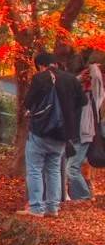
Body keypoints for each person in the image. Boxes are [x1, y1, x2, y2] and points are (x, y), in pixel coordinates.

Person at [20, 52, 86, 217]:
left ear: (41, 65)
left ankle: (36, 207)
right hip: (62, 134)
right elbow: (82, 101)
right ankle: (53, 208)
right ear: (54, 63)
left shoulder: (40, 78)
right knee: (54, 169)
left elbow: (28, 102)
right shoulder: (71, 79)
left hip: (40, 131)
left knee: (35, 169)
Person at [66, 62, 103, 202]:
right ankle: (79, 196)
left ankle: (84, 196)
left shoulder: (92, 96)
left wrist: (92, 71)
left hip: (84, 134)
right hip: (78, 134)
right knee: (71, 168)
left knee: (72, 168)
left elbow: (96, 83)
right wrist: (80, 78)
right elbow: (68, 86)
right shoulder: (80, 94)